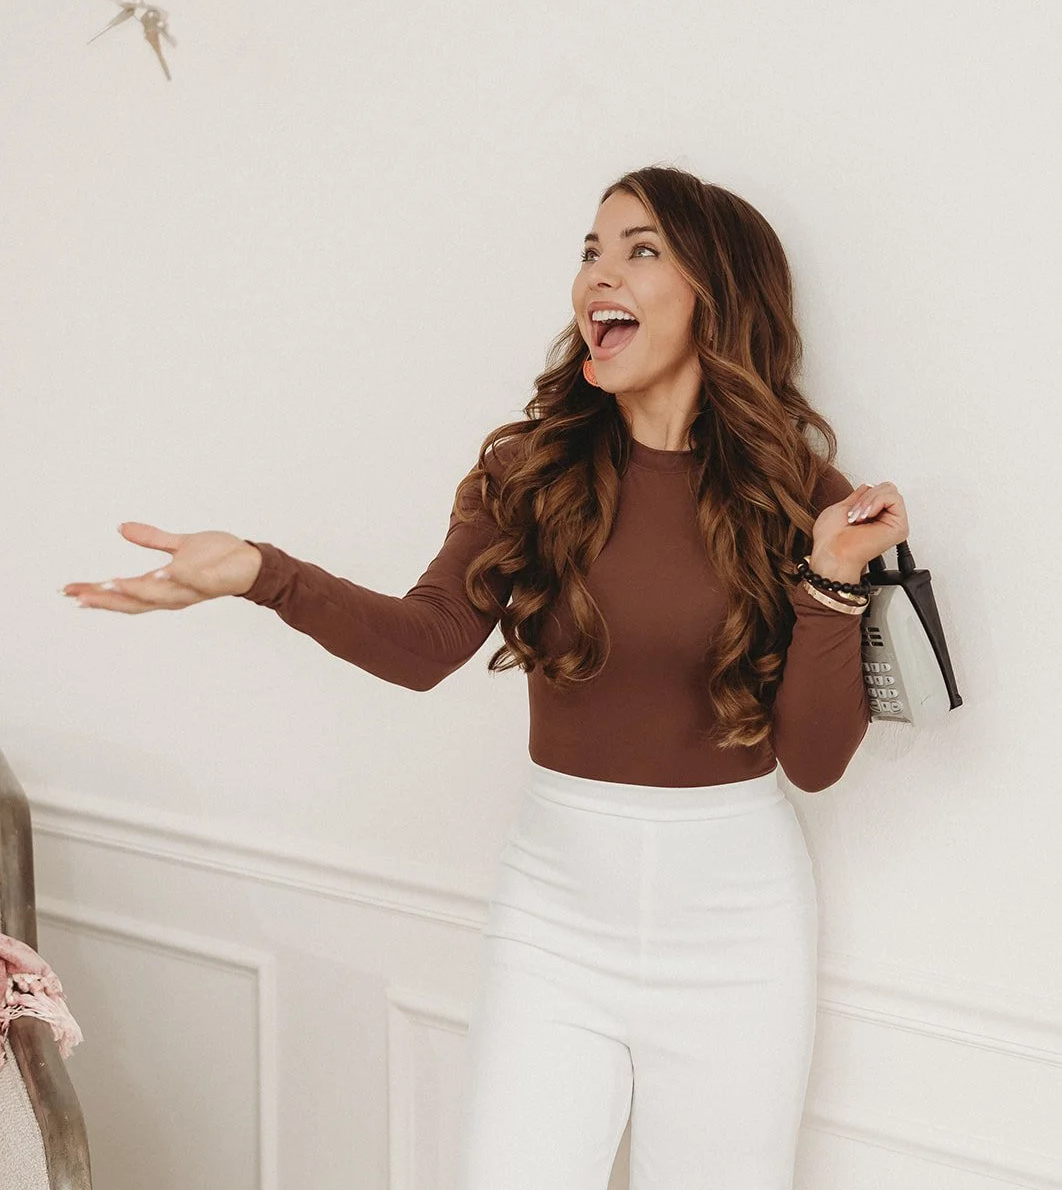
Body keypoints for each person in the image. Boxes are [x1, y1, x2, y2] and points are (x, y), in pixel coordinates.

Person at [61, 164, 908, 1189]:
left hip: (739, 923)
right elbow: (425, 644)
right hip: (553, 910)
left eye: (639, 249)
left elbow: (814, 762)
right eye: (589, 249)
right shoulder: (531, 471)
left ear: (713, 291)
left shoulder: (798, 494)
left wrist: (829, 579)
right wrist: (260, 571)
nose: (600, 272)